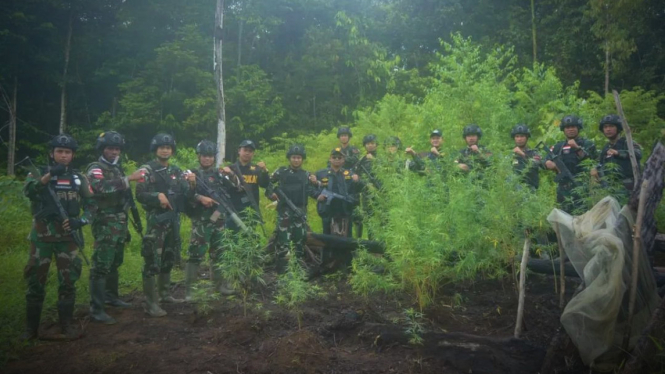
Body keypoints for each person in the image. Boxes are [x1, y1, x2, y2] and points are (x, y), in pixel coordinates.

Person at [22, 134, 92, 340]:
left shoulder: (79, 178)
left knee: (68, 281)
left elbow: (92, 204)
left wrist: (82, 220)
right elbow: (30, 192)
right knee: (35, 281)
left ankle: (67, 325)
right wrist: (48, 176)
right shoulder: (37, 174)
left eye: (67, 152)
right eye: (59, 152)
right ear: (51, 154)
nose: (63, 156)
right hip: (42, 238)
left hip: (67, 238)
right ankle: (30, 329)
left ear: (73, 155)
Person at [86, 131, 143, 324]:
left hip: (119, 220)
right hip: (104, 222)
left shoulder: (116, 168)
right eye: (110, 148)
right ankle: (96, 308)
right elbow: (100, 187)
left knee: (115, 261)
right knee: (101, 265)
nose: (114, 152)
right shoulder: (96, 168)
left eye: (117, 149)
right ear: (102, 149)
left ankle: (111, 297)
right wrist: (129, 179)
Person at [136, 134, 192, 317]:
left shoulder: (176, 170)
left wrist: (192, 183)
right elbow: (140, 194)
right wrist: (157, 196)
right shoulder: (147, 170)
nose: (165, 150)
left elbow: (185, 192)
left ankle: (165, 294)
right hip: (157, 222)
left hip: (173, 221)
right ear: (155, 150)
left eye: (168, 147)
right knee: (152, 260)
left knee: (168, 257)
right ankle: (150, 302)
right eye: (161, 147)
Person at [184, 140, 236, 300]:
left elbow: (236, 188)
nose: (207, 159)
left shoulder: (219, 174)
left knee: (219, 253)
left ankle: (219, 286)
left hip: (219, 221)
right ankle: (191, 291)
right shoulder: (191, 174)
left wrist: (232, 175)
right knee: (195, 255)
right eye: (204, 156)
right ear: (199, 157)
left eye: (210, 156)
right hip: (201, 221)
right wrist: (199, 197)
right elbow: (184, 195)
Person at [266, 144, 320, 273]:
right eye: (294, 157)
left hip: (300, 211)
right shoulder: (281, 172)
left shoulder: (306, 175)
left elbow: (312, 192)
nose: (296, 160)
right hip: (284, 211)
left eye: (299, 157)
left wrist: (317, 184)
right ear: (289, 158)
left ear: (302, 159)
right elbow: (268, 184)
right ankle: (283, 270)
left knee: (299, 240)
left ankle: (297, 268)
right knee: (283, 240)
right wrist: (271, 195)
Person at [545, 115, 597, 213]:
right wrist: (548, 163)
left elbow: (592, 160)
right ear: (563, 130)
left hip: (582, 187)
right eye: (567, 127)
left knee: (583, 215)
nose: (570, 130)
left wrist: (577, 148)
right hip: (563, 189)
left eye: (573, 127)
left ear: (578, 128)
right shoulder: (558, 146)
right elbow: (546, 159)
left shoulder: (587, 144)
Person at [591, 114, 642, 196]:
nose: (608, 129)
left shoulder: (626, 142)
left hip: (629, 186)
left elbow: (638, 154)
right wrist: (595, 169)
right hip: (611, 187)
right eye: (605, 127)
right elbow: (601, 163)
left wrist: (618, 153)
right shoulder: (606, 148)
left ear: (618, 128)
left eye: (611, 126)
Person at [224, 140, 269, 231]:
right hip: (234, 210)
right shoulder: (230, 168)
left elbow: (264, 184)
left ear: (253, 154)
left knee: (249, 238)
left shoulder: (256, 169)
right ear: (239, 151)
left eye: (250, 151)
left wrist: (265, 171)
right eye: (245, 150)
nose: (247, 153)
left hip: (251, 210)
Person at [316, 148, 361, 237]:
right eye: (334, 157)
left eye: (339, 158)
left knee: (346, 238)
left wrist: (358, 181)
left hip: (344, 210)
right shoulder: (321, 174)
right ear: (330, 159)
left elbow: (356, 190)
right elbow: (310, 188)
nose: (337, 159)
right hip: (328, 210)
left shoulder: (349, 174)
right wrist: (318, 195)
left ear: (343, 160)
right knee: (327, 238)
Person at [355, 134, 381, 239]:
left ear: (376, 145)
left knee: (382, 219)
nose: (370, 146)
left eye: (372, 143)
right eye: (368, 144)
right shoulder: (362, 160)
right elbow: (357, 176)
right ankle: (371, 243)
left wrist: (375, 160)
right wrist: (366, 184)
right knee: (369, 218)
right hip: (367, 194)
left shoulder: (381, 158)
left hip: (381, 192)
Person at [510, 124, 543, 190]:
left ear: (527, 137)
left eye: (522, 136)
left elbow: (537, 164)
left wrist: (523, 154)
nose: (519, 139)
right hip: (513, 190)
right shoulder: (510, 154)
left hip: (530, 189)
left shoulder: (534, 153)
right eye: (517, 136)